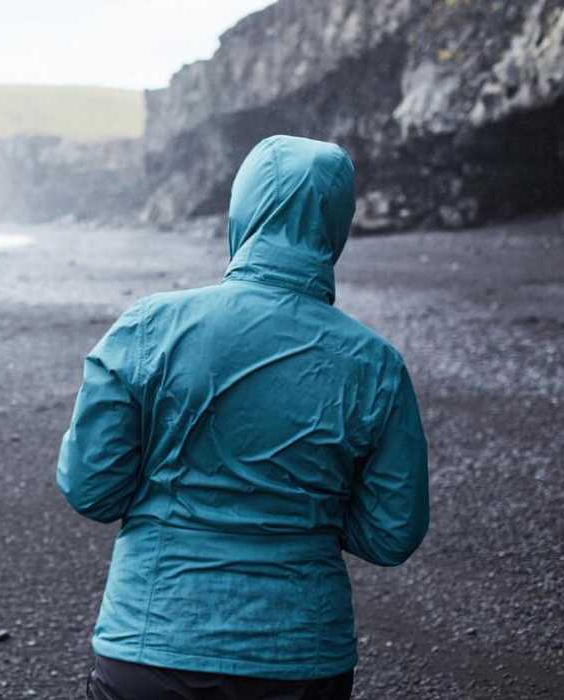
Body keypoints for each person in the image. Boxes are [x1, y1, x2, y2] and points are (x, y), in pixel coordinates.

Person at [56, 135, 430, 699]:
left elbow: (92, 489)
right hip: (302, 655)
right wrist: (309, 516)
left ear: (243, 210)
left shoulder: (149, 327)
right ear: (337, 225)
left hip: (152, 640)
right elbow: (392, 533)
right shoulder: (374, 365)